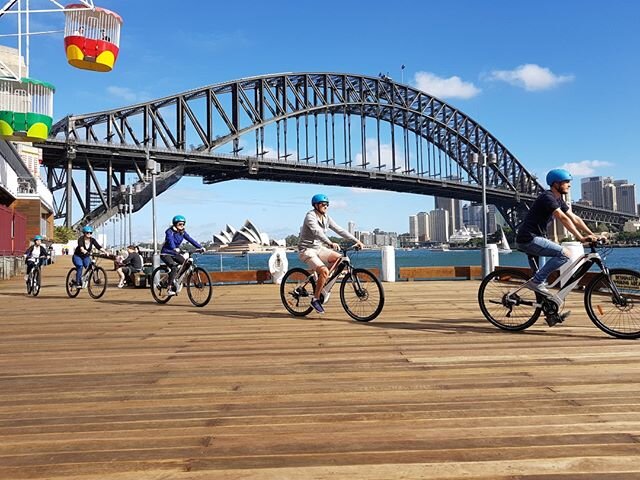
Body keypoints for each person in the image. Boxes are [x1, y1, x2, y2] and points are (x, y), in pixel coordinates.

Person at [515, 168, 600, 325]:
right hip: (528, 239)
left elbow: (574, 218)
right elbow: (561, 217)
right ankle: (536, 282)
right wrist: (580, 238)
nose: (569, 185)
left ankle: (550, 313)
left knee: (543, 281)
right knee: (564, 254)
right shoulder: (547, 197)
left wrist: (591, 233)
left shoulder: (559, 199)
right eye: (566, 182)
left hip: (537, 238)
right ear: (555, 184)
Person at [298, 194, 364, 314]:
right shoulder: (310, 216)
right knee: (324, 271)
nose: (326, 206)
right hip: (307, 250)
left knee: (340, 259)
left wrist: (356, 240)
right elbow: (317, 232)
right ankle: (315, 299)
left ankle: (323, 283)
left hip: (319, 248)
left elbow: (339, 230)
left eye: (327, 204)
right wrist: (329, 242)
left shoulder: (326, 218)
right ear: (316, 205)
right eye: (323, 204)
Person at [160, 215, 204, 295]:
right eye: (180, 224)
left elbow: (190, 239)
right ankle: (169, 288)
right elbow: (170, 240)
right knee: (173, 267)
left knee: (186, 264)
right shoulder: (169, 231)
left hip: (175, 253)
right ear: (175, 224)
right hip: (166, 253)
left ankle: (176, 279)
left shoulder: (182, 233)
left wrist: (200, 247)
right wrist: (174, 248)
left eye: (183, 224)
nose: (182, 226)